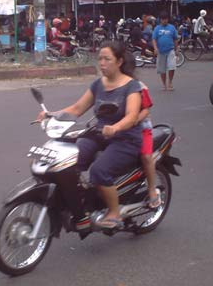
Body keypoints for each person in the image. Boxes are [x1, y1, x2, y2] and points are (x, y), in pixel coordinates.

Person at [37, 41, 142, 230]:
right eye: (100, 58)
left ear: (119, 62)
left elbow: (133, 116)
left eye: (107, 59)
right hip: (99, 133)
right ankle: (83, 204)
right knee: (69, 161)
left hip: (126, 138)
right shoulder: (98, 84)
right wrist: (51, 114)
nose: (102, 63)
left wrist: (116, 127)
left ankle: (114, 211)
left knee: (99, 171)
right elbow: (77, 109)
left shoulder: (131, 86)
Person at [137, 81, 161, 209]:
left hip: (142, 129)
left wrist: (132, 120)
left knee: (146, 157)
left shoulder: (139, 86)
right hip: (119, 131)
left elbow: (146, 110)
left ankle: (152, 189)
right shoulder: (104, 85)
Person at [152, 12, 179, 91]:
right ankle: (164, 84)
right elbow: (154, 39)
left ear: (168, 19)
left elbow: (175, 39)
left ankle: (170, 82)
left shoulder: (172, 28)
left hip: (170, 50)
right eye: (163, 19)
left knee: (172, 67)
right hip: (160, 51)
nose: (164, 21)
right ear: (160, 20)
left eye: (166, 19)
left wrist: (176, 49)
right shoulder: (157, 28)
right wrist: (155, 48)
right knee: (162, 69)